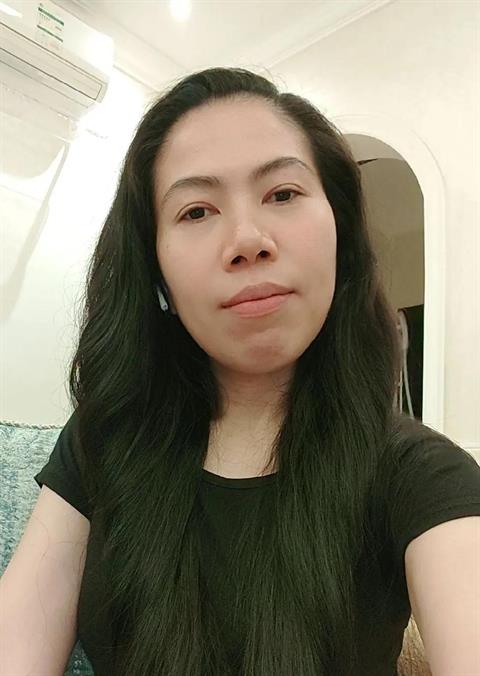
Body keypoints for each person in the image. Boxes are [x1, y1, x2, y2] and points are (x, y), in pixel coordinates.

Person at [29, 67, 480, 675]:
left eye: (283, 194)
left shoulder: (422, 475)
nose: (247, 239)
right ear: (155, 271)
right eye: (196, 211)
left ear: (340, 234)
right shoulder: (101, 441)